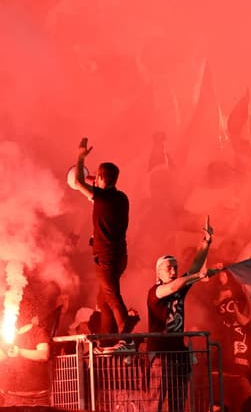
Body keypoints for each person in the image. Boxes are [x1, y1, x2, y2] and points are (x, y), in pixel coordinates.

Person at [147, 218, 216, 412]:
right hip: (160, 355)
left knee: (178, 404)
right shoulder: (155, 291)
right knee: (155, 403)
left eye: (175, 267)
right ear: (158, 272)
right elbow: (179, 283)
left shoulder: (179, 286)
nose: (174, 270)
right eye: (169, 267)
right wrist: (198, 276)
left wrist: (205, 243)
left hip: (178, 354)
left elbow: (194, 268)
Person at [70, 136, 134, 337]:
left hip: (105, 257)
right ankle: (108, 337)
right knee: (102, 302)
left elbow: (79, 181)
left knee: (111, 295)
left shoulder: (102, 198)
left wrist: (81, 157)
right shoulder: (121, 198)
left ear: (101, 178)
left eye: (97, 177)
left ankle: (126, 329)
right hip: (119, 256)